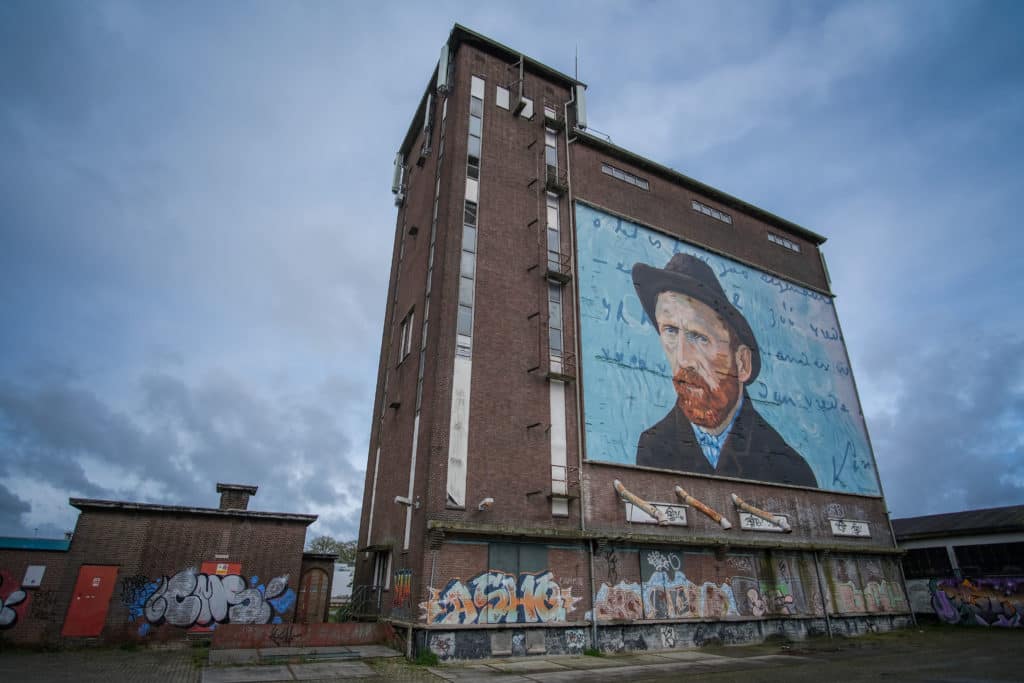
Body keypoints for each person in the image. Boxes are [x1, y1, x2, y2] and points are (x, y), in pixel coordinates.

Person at [632, 253, 817, 487]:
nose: (683, 359)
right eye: (670, 331)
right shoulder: (652, 448)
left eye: (699, 336)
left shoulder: (788, 469)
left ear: (742, 363)